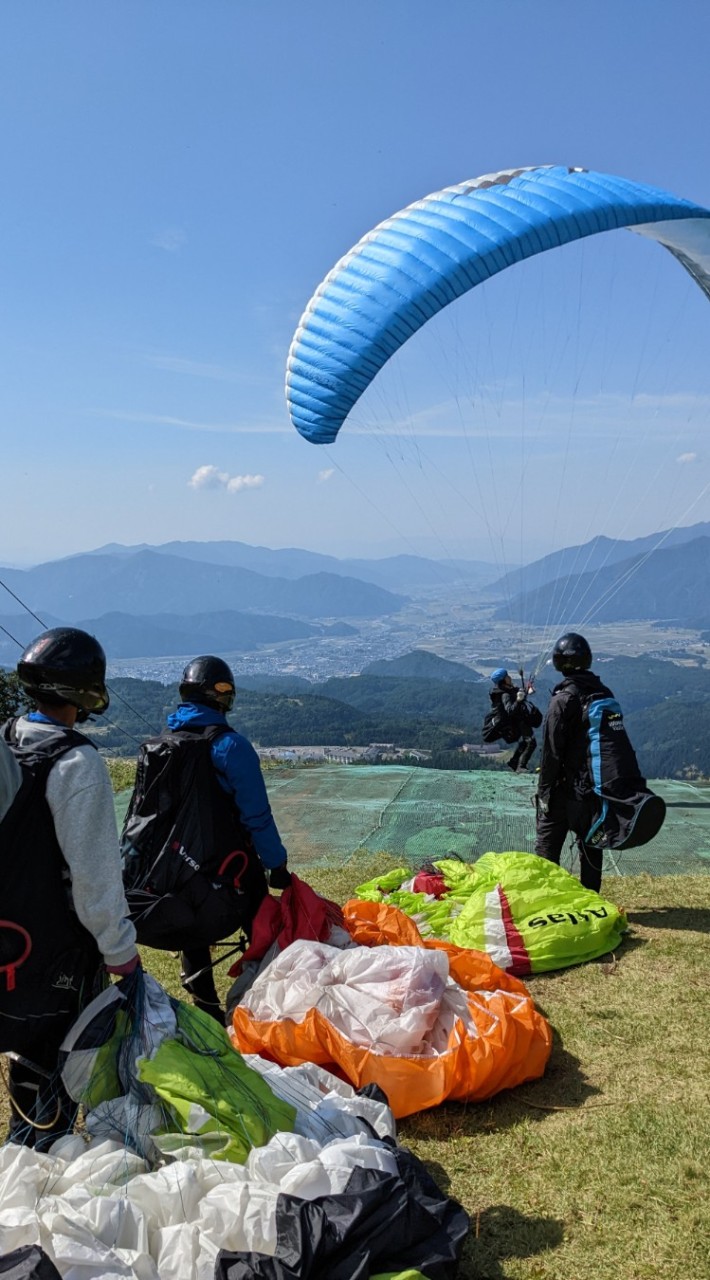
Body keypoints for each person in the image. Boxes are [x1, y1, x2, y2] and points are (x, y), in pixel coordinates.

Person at [0, 627, 139, 1149]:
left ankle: (23, 1157)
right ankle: (37, 1162)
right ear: (87, 694)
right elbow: (95, 878)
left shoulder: (6, 740)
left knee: (22, 1048)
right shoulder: (76, 764)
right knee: (52, 1059)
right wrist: (121, 955)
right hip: (51, 955)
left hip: (8, 947)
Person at [157, 655, 290, 1021]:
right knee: (261, 911)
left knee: (194, 920)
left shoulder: (164, 745)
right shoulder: (230, 747)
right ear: (223, 697)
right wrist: (277, 866)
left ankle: (206, 1007)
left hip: (176, 878)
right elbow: (257, 817)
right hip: (229, 875)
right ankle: (263, 999)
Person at [534, 632, 608, 892]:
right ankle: (591, 903)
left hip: (565, 791)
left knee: (547, 852)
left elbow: (551, 753)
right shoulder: (602, 693)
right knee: (591, 850)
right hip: (595, 791)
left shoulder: (563, 700)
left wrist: (544, 793)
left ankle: (548, 903)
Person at [488, 668, 542, 772]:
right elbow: (510, 710)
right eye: (507, 676)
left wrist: (527, 691)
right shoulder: (505, 694)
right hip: (518, 721)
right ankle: (521, 766)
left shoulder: (510, 689)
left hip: (521, 720)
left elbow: (519, 693)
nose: (510, 677)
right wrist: (518, 700)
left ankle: (514, 762)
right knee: (531, 742)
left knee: (525, 742)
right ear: (503, 680)